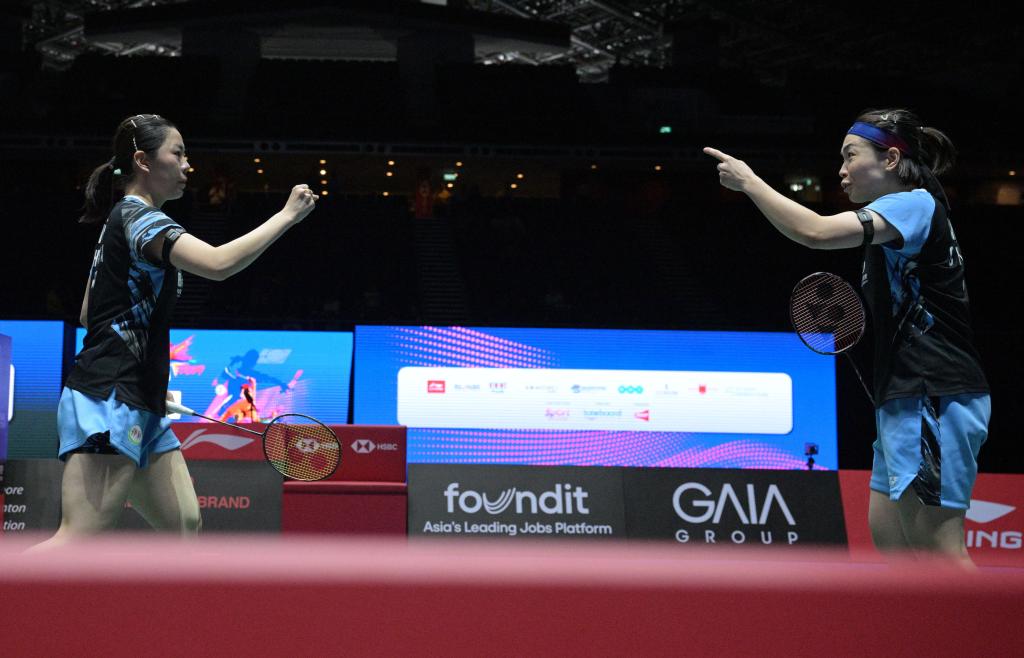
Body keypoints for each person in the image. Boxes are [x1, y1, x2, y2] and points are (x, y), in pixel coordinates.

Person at [704, 108, 990, 564]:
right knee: (893, 545)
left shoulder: (913, 203)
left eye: (850, 155)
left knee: (940, 552)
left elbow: (815, 232)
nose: (840, 169)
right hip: (903, 396)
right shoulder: (891, 226)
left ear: (891, 159)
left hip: (934, 392)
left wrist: (749, 182)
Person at [33, 114, 317, 547]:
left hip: (137, 396)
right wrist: (287, 216)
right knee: (80, 538)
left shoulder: (123, 221)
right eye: (178, 153)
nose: (187, 165)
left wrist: (145, 378)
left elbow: (91, 313)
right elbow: (218, 264)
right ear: (143, 161)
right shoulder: (142, 220)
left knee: (184, 525)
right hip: (109, 395)